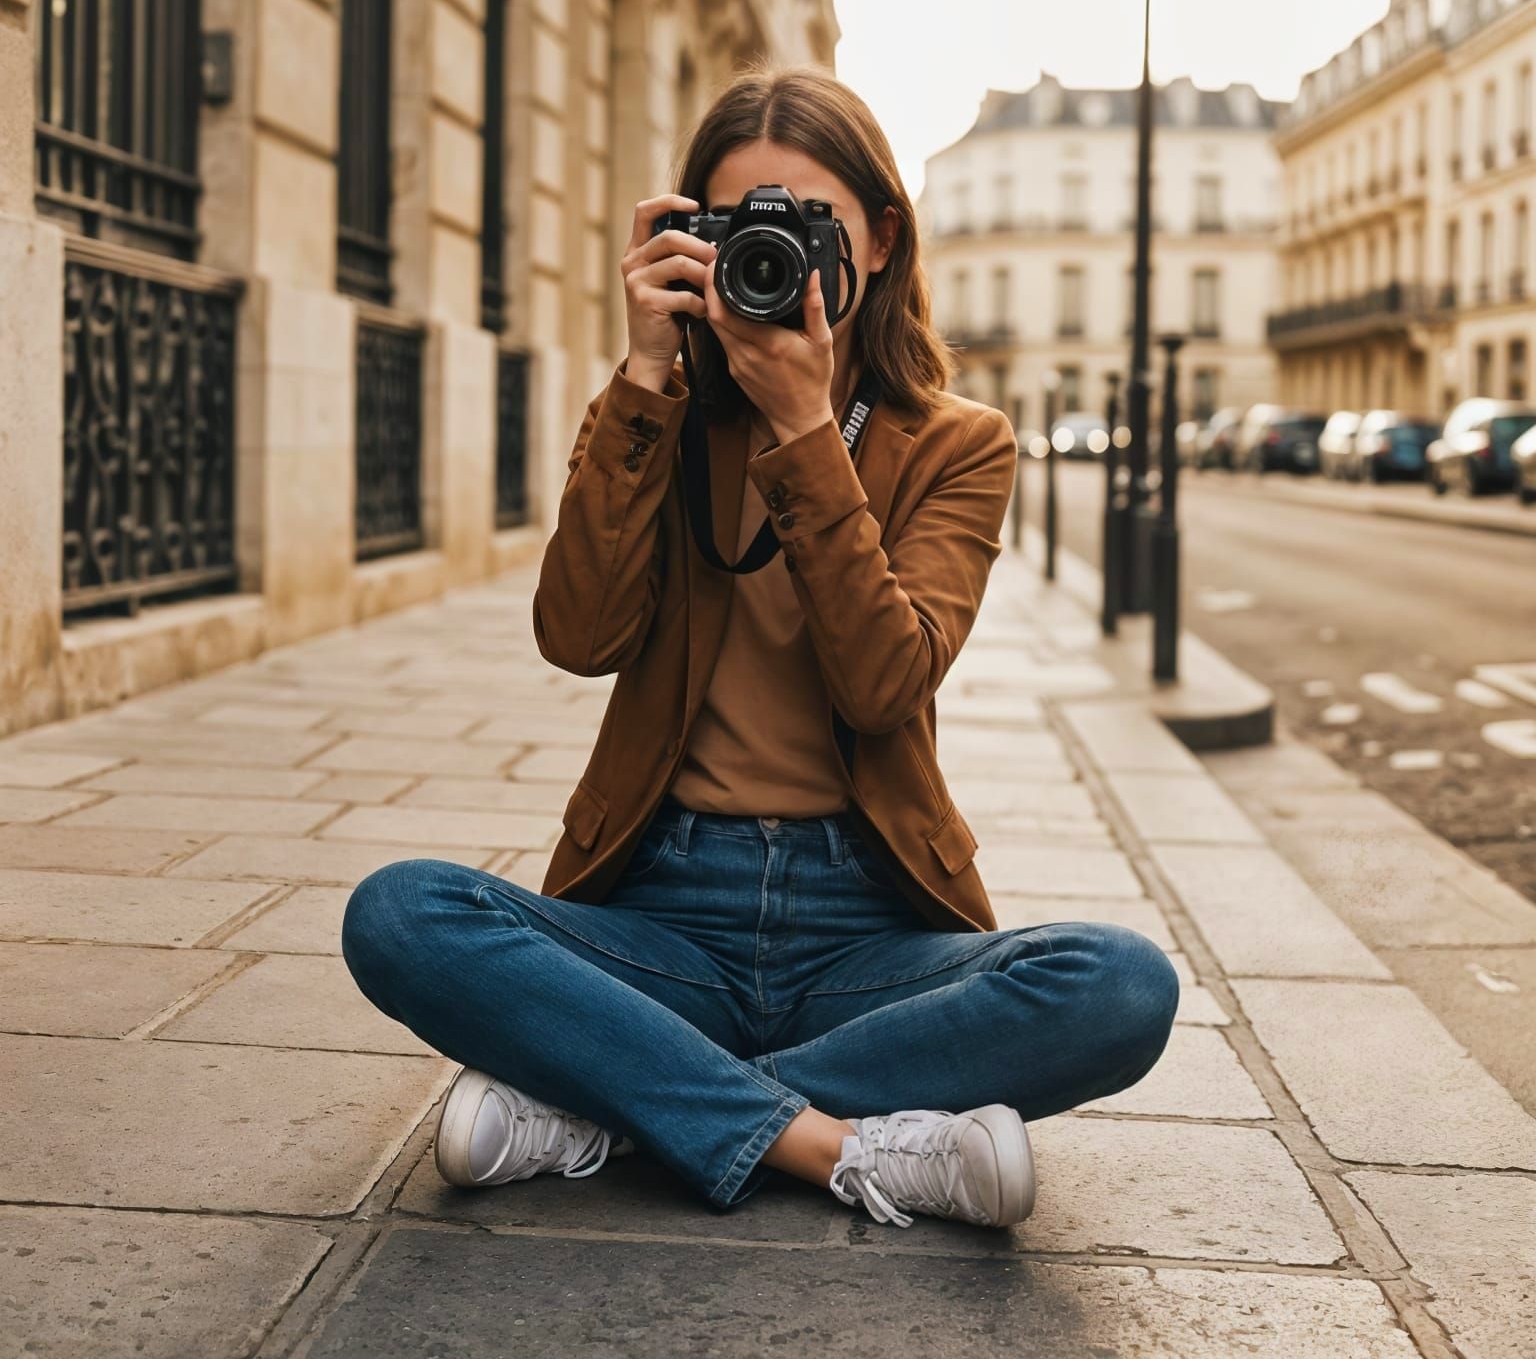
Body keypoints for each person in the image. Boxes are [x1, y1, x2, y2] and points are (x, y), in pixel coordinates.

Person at [341, 64, 1180, 1231]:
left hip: (868, 931)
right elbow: (576, 638)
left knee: (1123, 987)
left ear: (880, 241)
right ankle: (853, 1145)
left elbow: (886, 683)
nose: (771, 259)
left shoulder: (959, 445)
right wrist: (644, 376)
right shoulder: (657, 416)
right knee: (397, 913)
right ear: (690, 239)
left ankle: (612, 1105)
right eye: (741, 229)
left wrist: (803, 427)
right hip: (664, 911)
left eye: (810, 225)